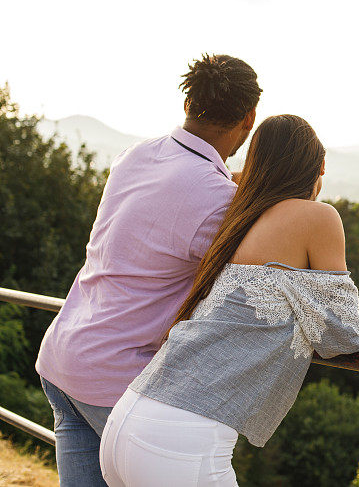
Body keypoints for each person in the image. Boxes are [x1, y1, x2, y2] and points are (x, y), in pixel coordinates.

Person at [98, 114, 359, 486]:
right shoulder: (318, 217)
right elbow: (340, 333)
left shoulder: (243, 219)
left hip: (130, 416)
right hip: (183, 439)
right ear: (320, 166)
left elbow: (310, 310)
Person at [35, 54, 262, 486]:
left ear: (187, 103)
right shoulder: (217, 198)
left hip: (64, 361)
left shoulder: (134, 156)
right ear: (249, 117)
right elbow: (257, 282)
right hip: (118, 382)